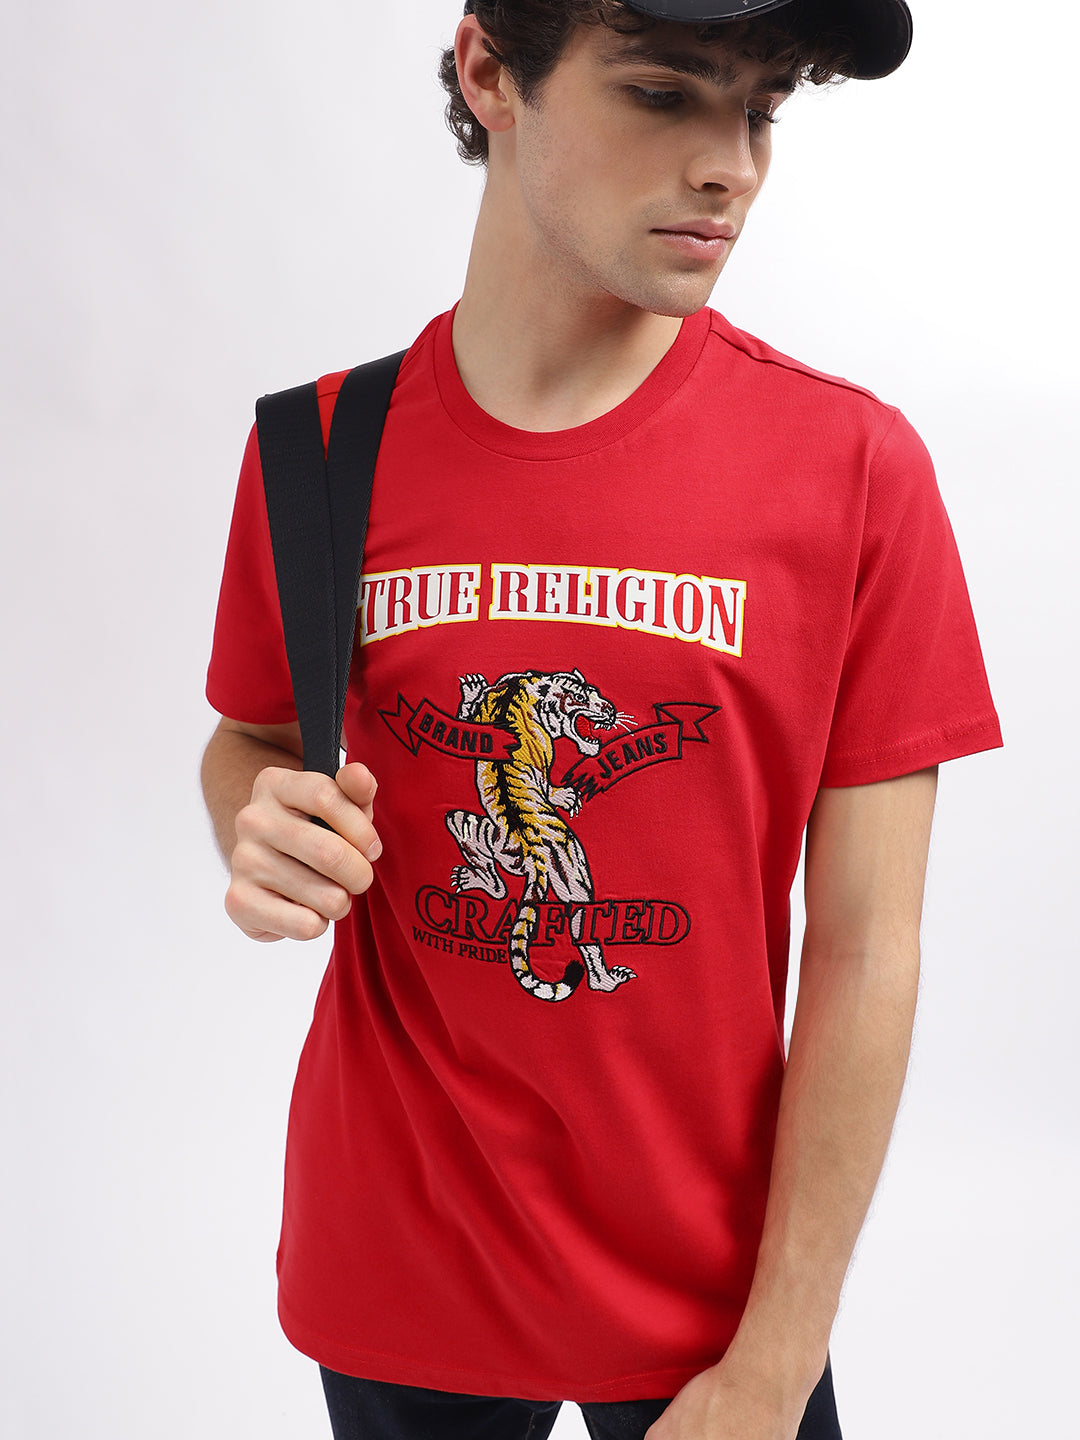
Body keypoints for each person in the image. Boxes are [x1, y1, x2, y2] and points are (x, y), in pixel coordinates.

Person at [200, 3, 1001, 1437]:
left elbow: (869, 949)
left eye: (760, 109)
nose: (731, 163)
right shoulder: (318, 453)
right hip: (397, 1263)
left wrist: (776, 1363)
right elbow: (255, 738)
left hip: (712, 1305)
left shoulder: (852, 471)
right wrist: (257, 828)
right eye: (663, 94)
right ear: (489, 72)